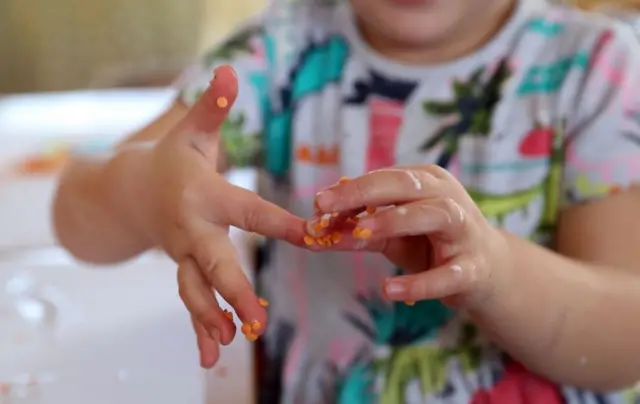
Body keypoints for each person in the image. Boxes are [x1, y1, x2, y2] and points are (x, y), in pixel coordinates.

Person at [53, 0, 640, 401]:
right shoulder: (286, 49)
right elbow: (74, 215)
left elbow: (626, 339)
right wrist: (146, 191)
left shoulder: (597, 69)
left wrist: (495, 273)